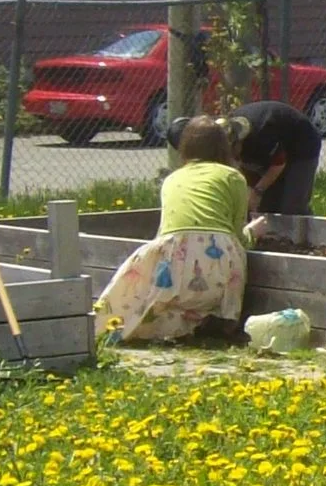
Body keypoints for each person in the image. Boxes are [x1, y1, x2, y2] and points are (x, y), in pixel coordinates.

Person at [93, 115, 253, 342]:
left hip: (175, 263)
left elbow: (165, 230)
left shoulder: (172, 179)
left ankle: (110, 327)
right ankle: (225, 321)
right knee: (234, 251)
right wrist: (254, 233)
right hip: (218, 268)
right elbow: (237, 233)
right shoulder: (233, 177)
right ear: (224, 147)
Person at [225, 99, 323, 218]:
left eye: (233, 149)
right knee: (266, 206)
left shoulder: (261, 135)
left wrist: (257, 192)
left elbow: (278, 164)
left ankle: (308, 233)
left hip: (302, 145)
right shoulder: (226, 130)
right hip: (274, 145)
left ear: (240, 142)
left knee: (292, 206)